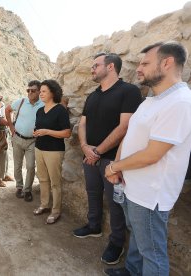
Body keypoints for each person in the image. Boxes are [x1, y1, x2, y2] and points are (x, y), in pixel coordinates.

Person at [104, 41, 191, 276]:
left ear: (167, 62)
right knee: (139, 239)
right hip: (133, 185)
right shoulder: (153, 99)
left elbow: (153, 154)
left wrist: (113, 165)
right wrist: (119, 169)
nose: (139, 68)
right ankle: (132, 271)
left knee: (152, 253)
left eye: (145, 63)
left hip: (151, 194)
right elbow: (130, 135)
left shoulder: (180, 102)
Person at [73, 52, 142, 265]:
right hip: (90, 156)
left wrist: (97, 152)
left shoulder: (129, 91)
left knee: (116, 204)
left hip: (113, 160)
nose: (92, 69)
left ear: (111, 66)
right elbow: (82, 123)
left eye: (96, 65)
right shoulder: (93, 95)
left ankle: (117, 242)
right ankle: (93, 226)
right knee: (92, 193)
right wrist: (85, 147)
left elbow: (125, 126)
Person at [32, 80, 71, 224]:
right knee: (42, 179)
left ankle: (55, 211)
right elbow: (38, 128)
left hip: (54, 151)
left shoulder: (60, 110)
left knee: (55, 182)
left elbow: (67, 133)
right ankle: (44, 205)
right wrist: (35, 132)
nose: (40, 94)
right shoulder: (40, 111)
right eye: (40, 91)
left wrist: (47, 131)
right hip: (39, 148)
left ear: (52, 93)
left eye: (43, 91)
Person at [5, 80, 44, 202]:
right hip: (17, 138)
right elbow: (7, 109)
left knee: (31, 166)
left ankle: (27, 190)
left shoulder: (43, 104)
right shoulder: (21, 101)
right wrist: (11, 127)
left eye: (33, 90)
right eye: (28, 90)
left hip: (33, 141)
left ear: (39, 92)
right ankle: (19, 187)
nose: (30, 93)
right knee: (17, 165)